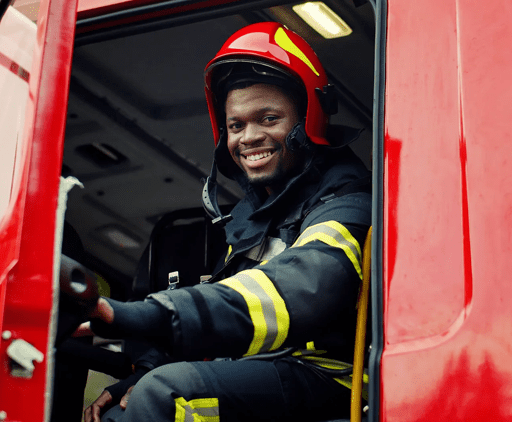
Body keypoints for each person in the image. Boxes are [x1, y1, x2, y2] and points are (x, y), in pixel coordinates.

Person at [80, 22, 372, 422]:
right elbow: (228, 326)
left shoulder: (350, 206)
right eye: (236, 125)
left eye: (268, 119)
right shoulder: (254, 222)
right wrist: (142, 371)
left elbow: (297, 290)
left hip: (337, 381)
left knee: (168, 396)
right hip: (275, 373)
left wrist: (139, 314)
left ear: (310, 121)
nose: (248, 137)